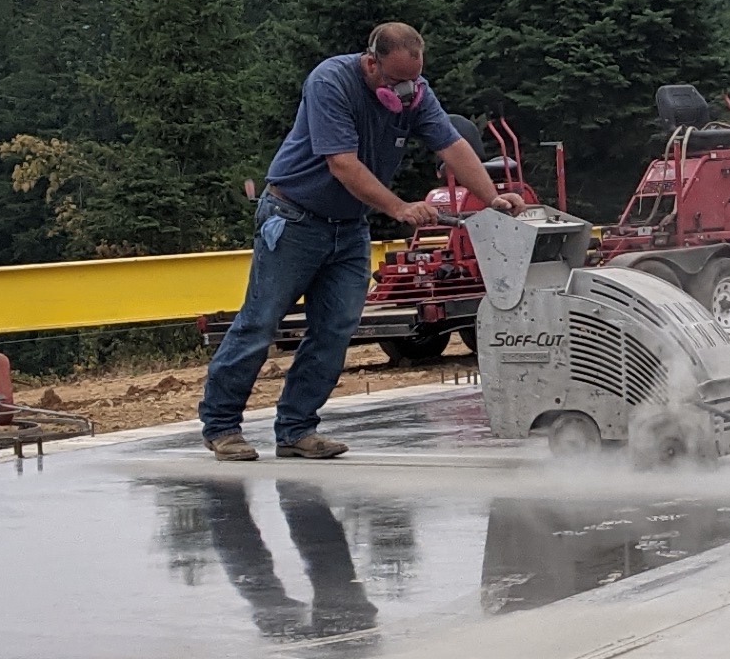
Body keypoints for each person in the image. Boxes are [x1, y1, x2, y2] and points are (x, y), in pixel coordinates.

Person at [197, 23, 504, 461]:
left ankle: (296, 429)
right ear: (371, 63)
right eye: (396, 81)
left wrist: (492, 198)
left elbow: (451, 146)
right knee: (260, 322)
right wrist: (398, 207)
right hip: (293, 218)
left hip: (348, 225)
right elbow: (342, 164)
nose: (405, 92)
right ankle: (221, 426)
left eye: (413, 80)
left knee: (335, 328)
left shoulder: (415, 94)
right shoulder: (330, 82)